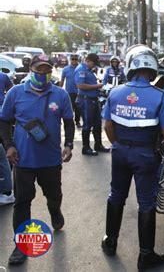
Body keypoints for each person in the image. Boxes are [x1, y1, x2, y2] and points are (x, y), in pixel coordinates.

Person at [101, 45, 164, 270]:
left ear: (130, 67)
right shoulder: (159, 96)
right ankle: (145, 255)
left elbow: (107, 125)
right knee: (146, 202)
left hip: (120, 151)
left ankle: (110, 242)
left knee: (116, 195)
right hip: (145, 154)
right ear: (152, 69)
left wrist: (118, 144)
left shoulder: (115, 93)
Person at [0, 55, 75, 265]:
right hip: (23, 160)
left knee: (54, 195)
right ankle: (20, 246)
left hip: (51, 160)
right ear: (30, 69)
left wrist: (69, 145)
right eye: (38, 69)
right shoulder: (15, 93)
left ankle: (55, 211)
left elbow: (69, 122)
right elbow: (4, 122)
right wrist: (9, 146)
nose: (42, 74)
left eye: (46, 70)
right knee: (22, 202)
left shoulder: (60, 94)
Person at [74, 53, 109, 156]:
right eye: (93, 63)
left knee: (98, 123)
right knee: (87, 124)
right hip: (85, 100)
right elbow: (80, 85)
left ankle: (98, 145)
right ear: (88, 60)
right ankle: (86, 147)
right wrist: (97, 86)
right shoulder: (81, 69)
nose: (94, 66)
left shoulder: (89, 70)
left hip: (93, 100)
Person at [0, 70, 14, 205]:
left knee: (1, 153)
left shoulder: (3, 76)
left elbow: (10, 91)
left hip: (2, 113)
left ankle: (7, 192)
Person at [60, 54, 82, 128]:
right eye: (73, 59)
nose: (74, 61)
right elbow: (62, 80)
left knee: (78, 108)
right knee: (69, 108)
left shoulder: (80, 68)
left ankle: (77, 121)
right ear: (70, 60)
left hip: (79, 91)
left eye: (76, 59)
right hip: (69, 92)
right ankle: (69, 122)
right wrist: (59, 89)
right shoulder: (66, 69)